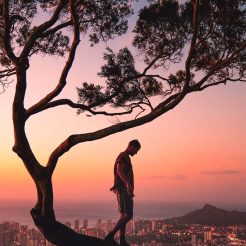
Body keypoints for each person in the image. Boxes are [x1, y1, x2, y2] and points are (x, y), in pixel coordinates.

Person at [105, 139, 141, 246]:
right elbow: (119, 169)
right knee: (129, 215)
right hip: (123, 189)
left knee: (123, 216)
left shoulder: (125, 157)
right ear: (131, 146)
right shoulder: (123, 156)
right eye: (136, 150)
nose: (136, 153)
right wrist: (128, 184)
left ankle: (122, 240)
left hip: (121, 189)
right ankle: (110, 236)